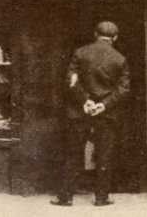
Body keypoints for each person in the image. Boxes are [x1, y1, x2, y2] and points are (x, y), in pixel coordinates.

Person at [53, 21, 131, 207]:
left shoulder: (80, 53)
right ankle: (101, 198)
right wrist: (103, 105)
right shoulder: (120, 59)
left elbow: (71, 81)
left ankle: (65, 197)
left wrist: (85, 101)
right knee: (105, 154)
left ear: (95, 34)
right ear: (115, 38)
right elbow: (124, 89)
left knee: (73, 153)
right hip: (106, 114)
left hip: (80, 111)